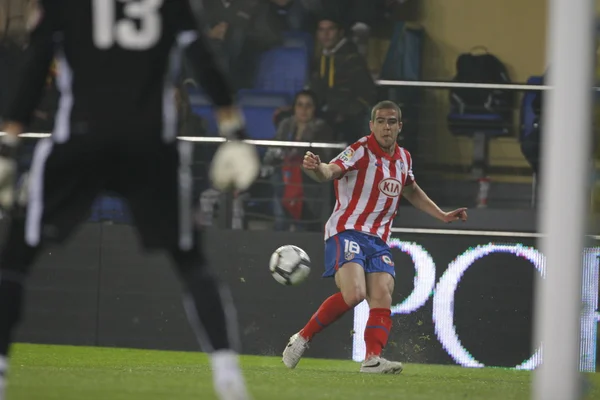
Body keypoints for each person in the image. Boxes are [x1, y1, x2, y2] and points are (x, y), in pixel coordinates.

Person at [0, 1, 259, 400]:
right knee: (191, 261)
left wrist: (9, 143)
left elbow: (37, 64)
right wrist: (234, 130)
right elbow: (202, 58)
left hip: (80, 137)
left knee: (16, 256)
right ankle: (228, 374)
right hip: (149, 145)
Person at [282, 100, 468, 373]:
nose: (386, 126)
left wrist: (442, 215)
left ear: (399, 127)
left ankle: (372, 359)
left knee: (382, 296)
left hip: (379, 239)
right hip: (347, 230)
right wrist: (316, 168)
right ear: (371, 125)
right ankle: (302, 338)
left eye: (392, 121)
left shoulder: (404, 158)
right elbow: (330, 171)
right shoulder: (359, 150)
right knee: (355, 293)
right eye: (380, 121)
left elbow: (411, 189)